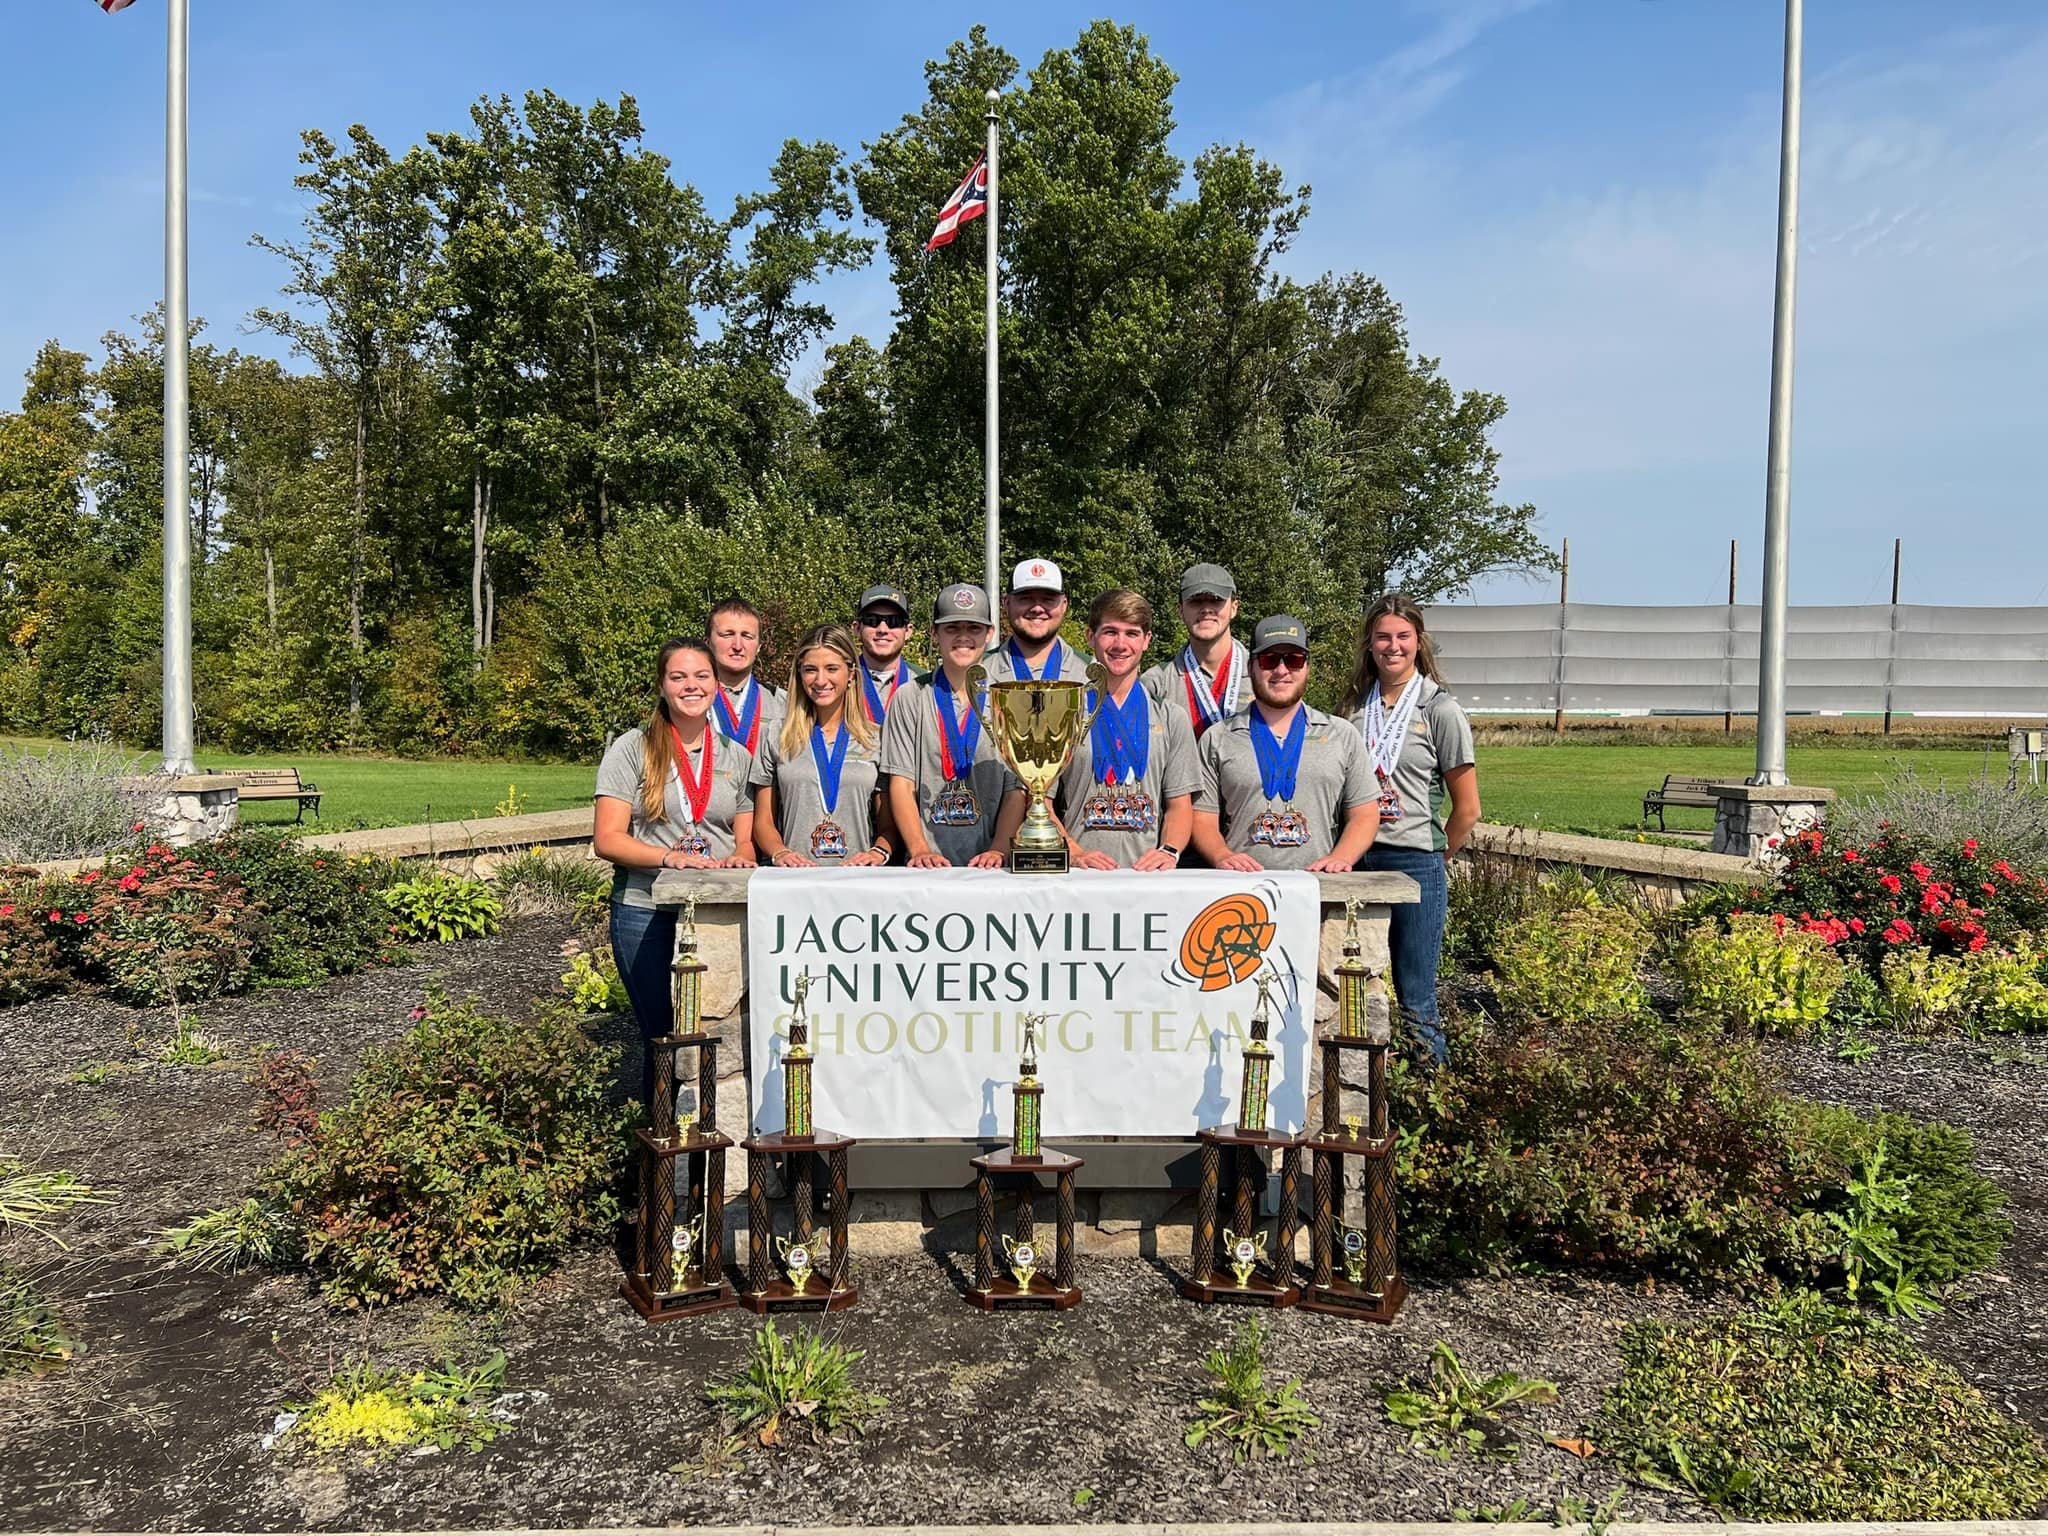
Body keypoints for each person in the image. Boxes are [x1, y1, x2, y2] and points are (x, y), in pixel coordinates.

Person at [592, 637, 758, 1099]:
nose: (691, 686)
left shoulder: (735, 755)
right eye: (678, 677)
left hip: (716, 915)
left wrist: (742, 853)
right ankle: (661, 1135)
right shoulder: (633, 748)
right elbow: (607, 838)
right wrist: (668, 857)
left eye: (701, 676)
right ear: (662, 685)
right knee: (663, 1037)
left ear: (717, 684)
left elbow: (744, 838)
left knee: (714, 1036)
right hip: (646, 910)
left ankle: (709, 1129)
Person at [1342, 593, 1479, 1067]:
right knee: (1353, 988)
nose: (1393, 646)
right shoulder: (1354, 708)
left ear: (1419, 642)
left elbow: (1468, 809)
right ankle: (1365, 1089)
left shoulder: (1440, 709)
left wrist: (1436, 857)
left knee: (1415, 995)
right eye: (1383, 637)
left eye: (1403, 636)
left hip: (1414, 861)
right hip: (1357, 861)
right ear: (1370, 643)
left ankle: (1431, 1089)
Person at [1191, 614, 1376, 874]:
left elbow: (1365, 813)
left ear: (1307, 667)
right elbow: (1201, 818)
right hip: (1242, 885)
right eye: (1269, 660)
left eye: (1293, 660)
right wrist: (1221, 855)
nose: (1281, 670)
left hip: (1319, 884)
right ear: (1251, 668)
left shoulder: (1341, 734)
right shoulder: (1218, 737)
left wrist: (1341, 857)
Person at [880, 583, 1027, 868]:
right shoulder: (910, 697)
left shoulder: (1010, 699)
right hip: (926, 869)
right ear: (935, 633)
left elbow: (1015, 789)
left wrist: (998, 849)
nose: (963, 637)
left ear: (990, 633)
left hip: (991, 869)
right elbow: (901, 784)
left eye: (974, 628)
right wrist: (920, 849)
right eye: (952, 628)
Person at [1052, 590, 1199, 870]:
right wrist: (1073, 852)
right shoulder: (1063, 712)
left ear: (1147, 640)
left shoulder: (1171, 717)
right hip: (1079, 875)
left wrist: (1169, 851)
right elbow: (1040, 802)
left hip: (1146, 877)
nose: (1120, 644)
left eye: (1132, 633)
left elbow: (1180, 805)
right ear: (1090, 636)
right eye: (1110, 632)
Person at [751, 624, 894, 868]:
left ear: (851, 673)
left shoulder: (876, 739)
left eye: (831, 669)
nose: (820, 680)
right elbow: (763, 821)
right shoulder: (776, 734)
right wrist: (780, 853)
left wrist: (878, 852)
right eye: (810, 670)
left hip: (856, 877)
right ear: (799, 673)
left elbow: (889, 825)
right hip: (796, 876)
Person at [1142, 562, 1248, 741]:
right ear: (1180, 610)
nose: (1206, 609)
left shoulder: (1265, 675)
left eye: (1216, 600)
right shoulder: (1155, 684)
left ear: (1234, 608)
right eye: (1196, 601)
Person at [707, 596, 787, 758]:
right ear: (707, 642)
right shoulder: (689, 700)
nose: (738, 646)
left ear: (758, 647)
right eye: (727, 634)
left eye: (747, 636)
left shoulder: (783, 704)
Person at [986, 558, 1089, 683]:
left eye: (1048, 600)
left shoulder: (1089, 673)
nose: (1037, 609)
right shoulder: (981, 670)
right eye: (1026, 599)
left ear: (1064, 605)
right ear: (1007, 604)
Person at [852, 583, 920, 726]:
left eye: (893, 621)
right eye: (872, 620)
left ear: (908, 631)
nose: (882, 629)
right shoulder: (838, 682)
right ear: (857, 628)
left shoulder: (925, 684)